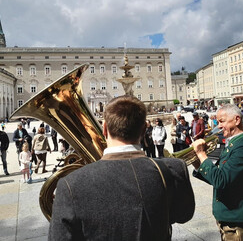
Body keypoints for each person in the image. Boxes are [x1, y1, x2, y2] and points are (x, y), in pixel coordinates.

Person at [49, 96, 195, 240]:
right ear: (144, 129)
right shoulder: (173, 169)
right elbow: (184, 215)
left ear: (104, 128)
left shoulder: (69, 184)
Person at [192, 104, 243, 241]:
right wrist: (196, 162)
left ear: (236, 120)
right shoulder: (233, 145)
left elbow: (221, 180)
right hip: (230, 218)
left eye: (222, 121)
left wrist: (202, 154)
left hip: (238, 221)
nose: (218, 126)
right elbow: (218, 177)